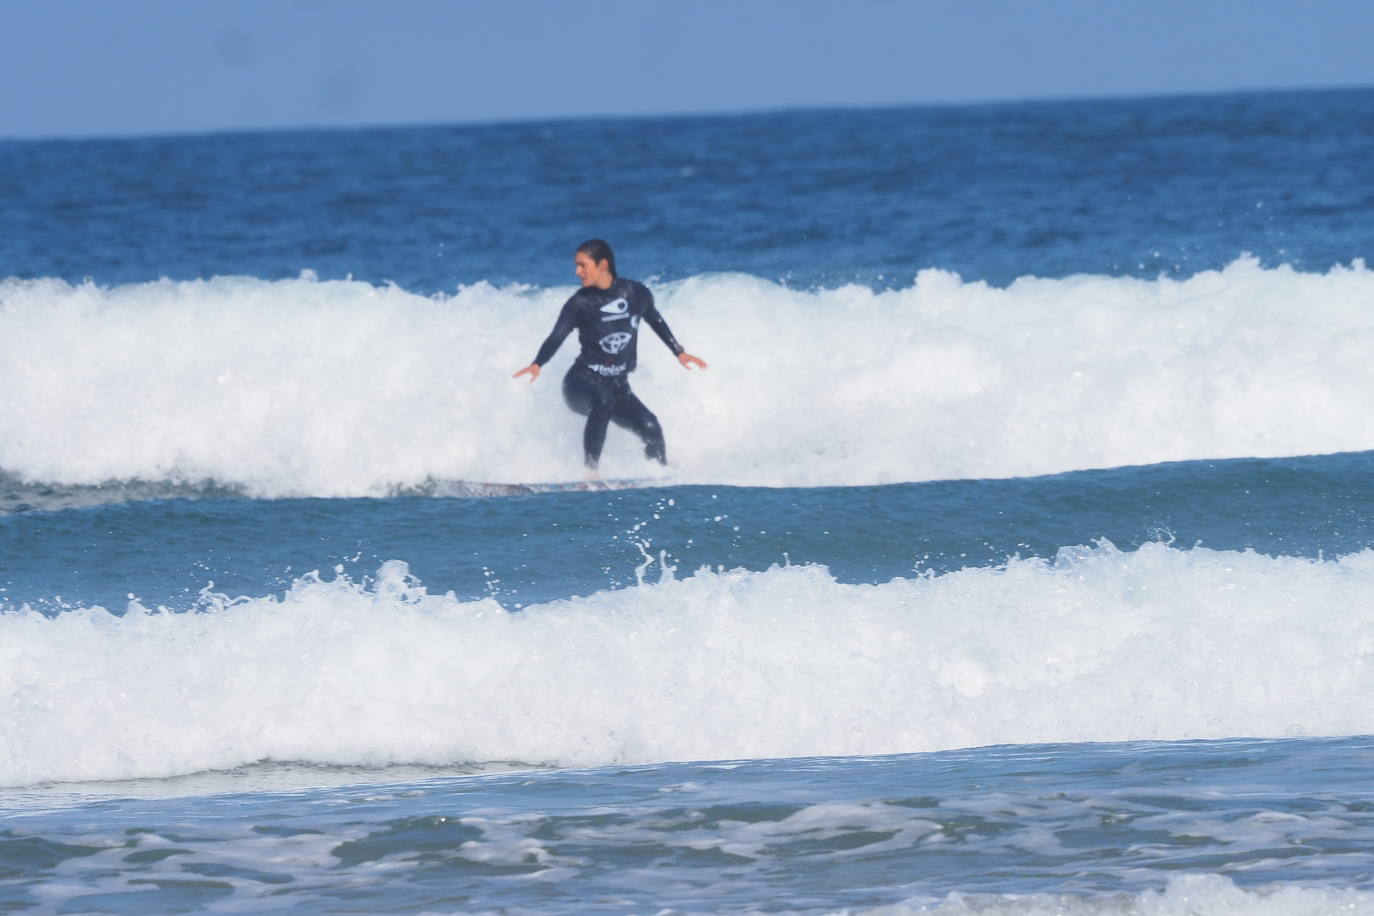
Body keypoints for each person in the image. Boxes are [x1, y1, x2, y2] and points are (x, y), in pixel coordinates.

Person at [514, 239, 706, 471]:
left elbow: (654, 319)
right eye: (577, 266)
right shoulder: (580, 303)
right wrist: (538, 363)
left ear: (602, 264)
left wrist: (679, 352)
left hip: (617, 386)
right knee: (602, 399)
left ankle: (659, 473)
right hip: (580, 384)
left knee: (651, 427)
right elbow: (557, 336)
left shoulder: (636, 294)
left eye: (583, 265)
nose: (577, 272)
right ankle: (590, 472)